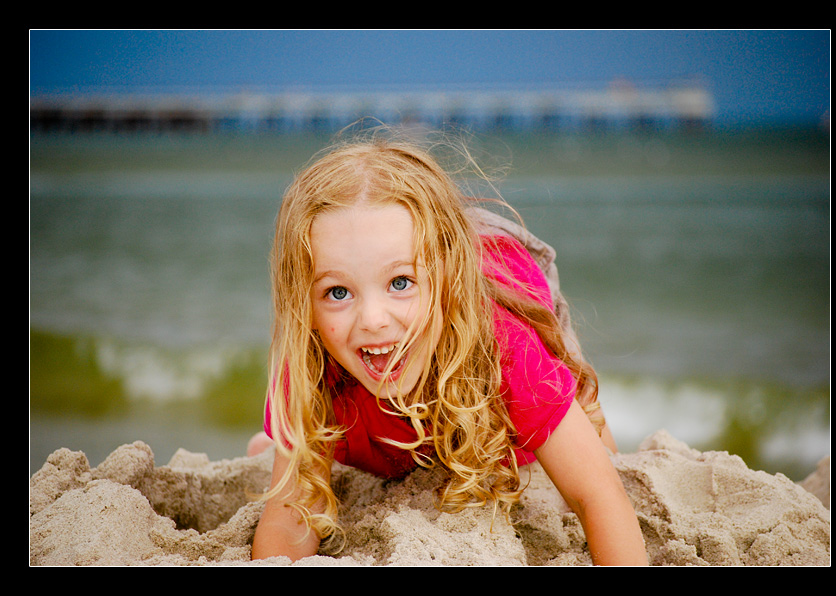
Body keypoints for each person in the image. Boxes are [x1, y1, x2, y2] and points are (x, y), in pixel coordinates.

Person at [248, 128, 648, 566]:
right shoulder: (311, 362)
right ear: (302, 301)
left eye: (400, 283)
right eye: (338, 292)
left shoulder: (505, 348)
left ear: (447, 281)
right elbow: (290, 520)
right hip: (390, 422)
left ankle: (575, 412)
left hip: (501, 306)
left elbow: (597, 497)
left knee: (593, 448)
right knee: (292, 451)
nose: (373, 319)